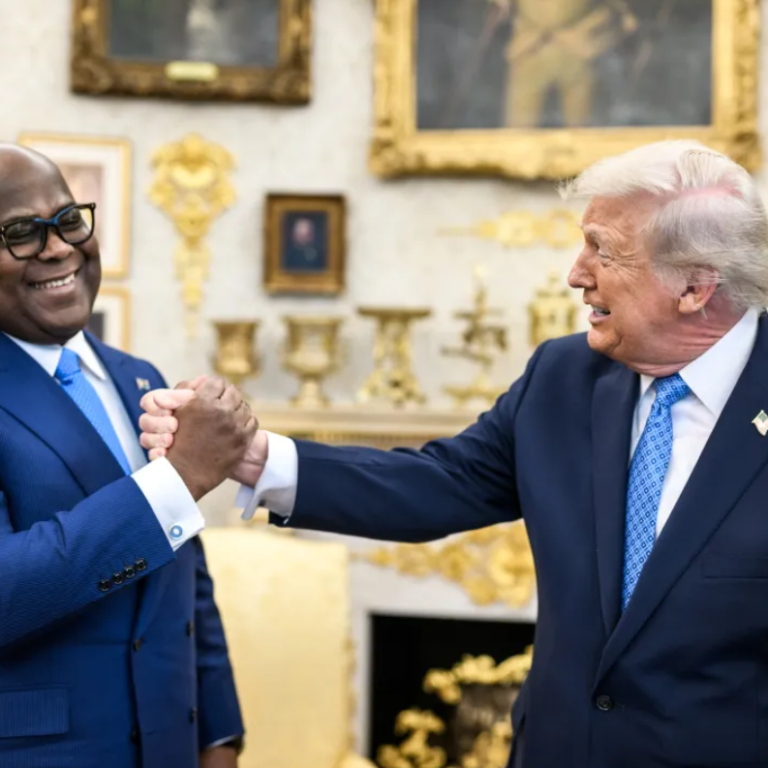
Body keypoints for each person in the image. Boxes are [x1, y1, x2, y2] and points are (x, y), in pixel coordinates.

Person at [141, 139, 768, 768]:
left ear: (694, 287)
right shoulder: (564, 377)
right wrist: (249, 456)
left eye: (603, 251)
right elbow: (442, 482)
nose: (577, 274)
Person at [0, 145, 255, 768]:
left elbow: (186, 579)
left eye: (68, 221)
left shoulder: (140, 377)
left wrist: (219, 734)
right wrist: (178, 480)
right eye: (20, 233)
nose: (57, 248)